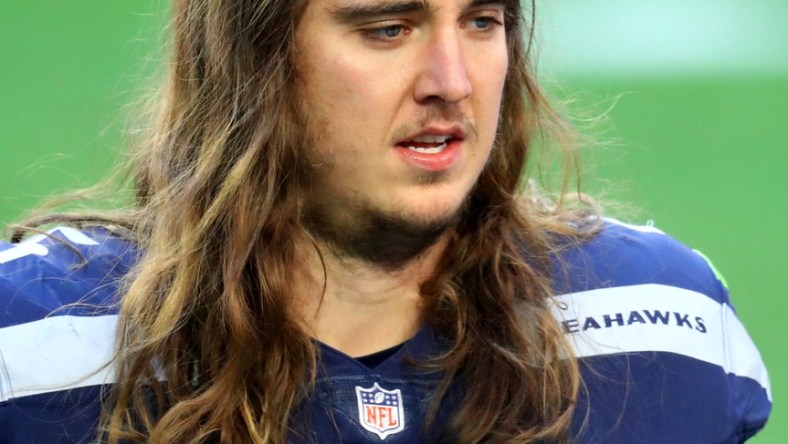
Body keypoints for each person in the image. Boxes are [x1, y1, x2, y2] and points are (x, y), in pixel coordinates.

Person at [0, 0, 771, 442]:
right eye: (387, 27)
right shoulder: (38, 349)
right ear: (254, 58)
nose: (451, 81)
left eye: (481, 21)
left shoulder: (657, 331)